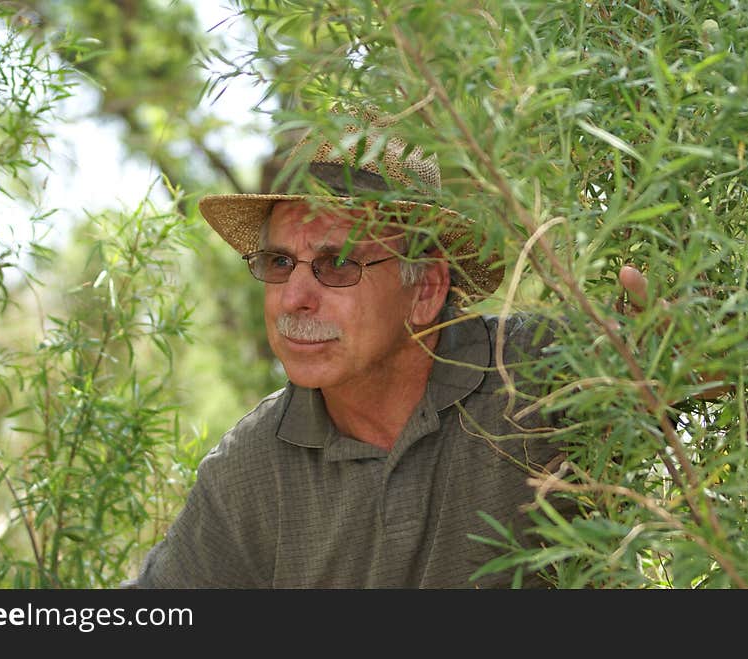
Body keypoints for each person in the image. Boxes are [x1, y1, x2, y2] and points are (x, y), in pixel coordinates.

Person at [124, 106, 635, 588]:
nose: (294, 299)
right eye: (279, 264)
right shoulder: (250, 471)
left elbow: (692, 375)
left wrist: (674, 348)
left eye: (339, 264)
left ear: (426, 290)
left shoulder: (540, 372)